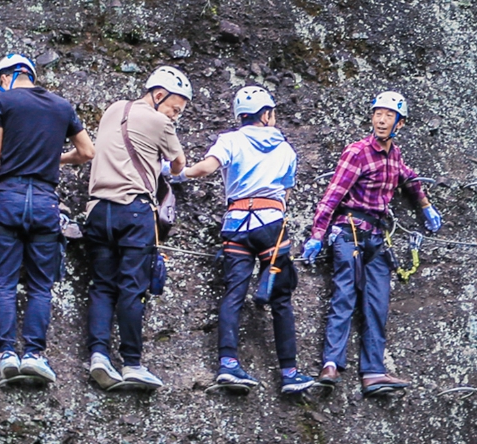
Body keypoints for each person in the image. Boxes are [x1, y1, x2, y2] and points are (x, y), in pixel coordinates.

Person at [0, 52, 94, 387]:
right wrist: (54, 159)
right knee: (40, 285)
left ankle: (6, 354)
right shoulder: (63, 106)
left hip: (10, 198)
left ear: (4, 78)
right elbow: (88, 152)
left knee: (4, 281)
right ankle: (33, 354)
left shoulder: (3, 102)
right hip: (46, 201)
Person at [303, 91, 441, 397]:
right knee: (344, 298)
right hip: (349, 232)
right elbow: (333, 195)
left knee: (377, 305)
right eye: (377, 113)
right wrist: (317, 234)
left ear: (399, 123)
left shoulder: (394, 155)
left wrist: (425, 205)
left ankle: (373, 372)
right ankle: (331, 364)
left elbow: (409, 178)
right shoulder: (357, 152)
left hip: (377, 237)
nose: (381, 119)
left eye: (388, 115)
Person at [180, 85, 303, 394]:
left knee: (234, 293)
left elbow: (206, 168)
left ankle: (228, 364)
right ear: (266, 114)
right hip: (271, 223)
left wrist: (177, 173)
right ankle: (289, 373)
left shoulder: (230, 140)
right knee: (281, 299)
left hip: (236, 223)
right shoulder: (286, 149)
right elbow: (285, 194)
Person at [83, 67, 190, 392]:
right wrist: (160, 162)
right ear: (159, 95)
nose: (175, 115)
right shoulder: (161, 123)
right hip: (134, 210)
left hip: (98, 209)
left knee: (102, 285)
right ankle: (132, 363)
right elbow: (179, 164)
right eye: (175, 107)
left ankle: (99, 355)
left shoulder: (114, 109)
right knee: (132, 287)